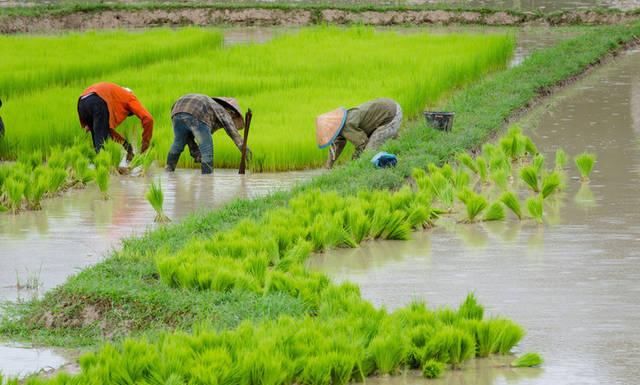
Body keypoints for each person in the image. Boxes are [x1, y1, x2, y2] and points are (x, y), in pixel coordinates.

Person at [166, 94, 251, 174]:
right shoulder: (224, 111)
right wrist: (248, 155)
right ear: (232, 112)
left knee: (178, 143)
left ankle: (168, 171)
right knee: (207, 150)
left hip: (177, 111)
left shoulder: (211, 105)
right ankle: (207, 178)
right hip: (197, 113)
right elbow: (235, 136)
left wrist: (194, 150)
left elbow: (188, 136)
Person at [315, 97, 403, 168]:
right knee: (369, 152)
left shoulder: (347, 125)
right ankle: (396, 152)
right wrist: (328, 166)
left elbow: (362, 143)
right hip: (389, 107)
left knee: (368, 154)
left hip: (391, 115)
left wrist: (354, 163)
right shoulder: (339, 126)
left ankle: (388, 166)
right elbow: (336, 146)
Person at [77, 82, 153, 160]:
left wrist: (127, 146)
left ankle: (100, 165)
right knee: (101, 142)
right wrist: (145, 145)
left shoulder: (113, 95)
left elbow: (108, 130)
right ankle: (105, 166)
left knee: (97, 138)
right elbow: (148, 119)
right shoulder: (129, 97)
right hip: (96, 102)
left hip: (81, 103)